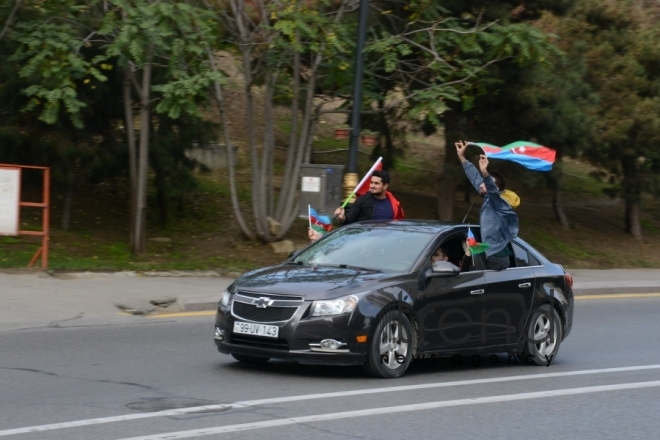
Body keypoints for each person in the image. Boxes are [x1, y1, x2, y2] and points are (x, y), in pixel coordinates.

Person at [455, 140, 519, 270]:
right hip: (491, 253)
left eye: (486, 182)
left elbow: (491, 189)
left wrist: (485, 173)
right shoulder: (489, 198)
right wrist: (462, 157)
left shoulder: (498, 202)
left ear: (494, 188)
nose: (481, 185)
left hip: (497, 258)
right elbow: (475, 178)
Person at [308, 170, 404, 241]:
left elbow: (398, 223)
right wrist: (342, 218)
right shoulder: (363, 200)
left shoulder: (393, 203)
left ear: (385, 186)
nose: (372, 186)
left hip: (386, 243)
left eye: (376, 183)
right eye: (371, 182)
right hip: (365, 242)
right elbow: (350, 221)